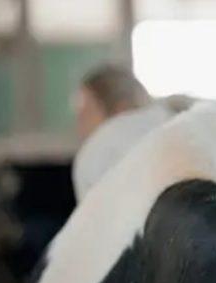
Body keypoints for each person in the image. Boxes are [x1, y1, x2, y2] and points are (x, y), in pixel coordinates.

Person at [71, 64, 178, 199]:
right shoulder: (175, 124)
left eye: (86, 112)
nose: (79, 122)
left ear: (121, 108)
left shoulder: (99, 148)